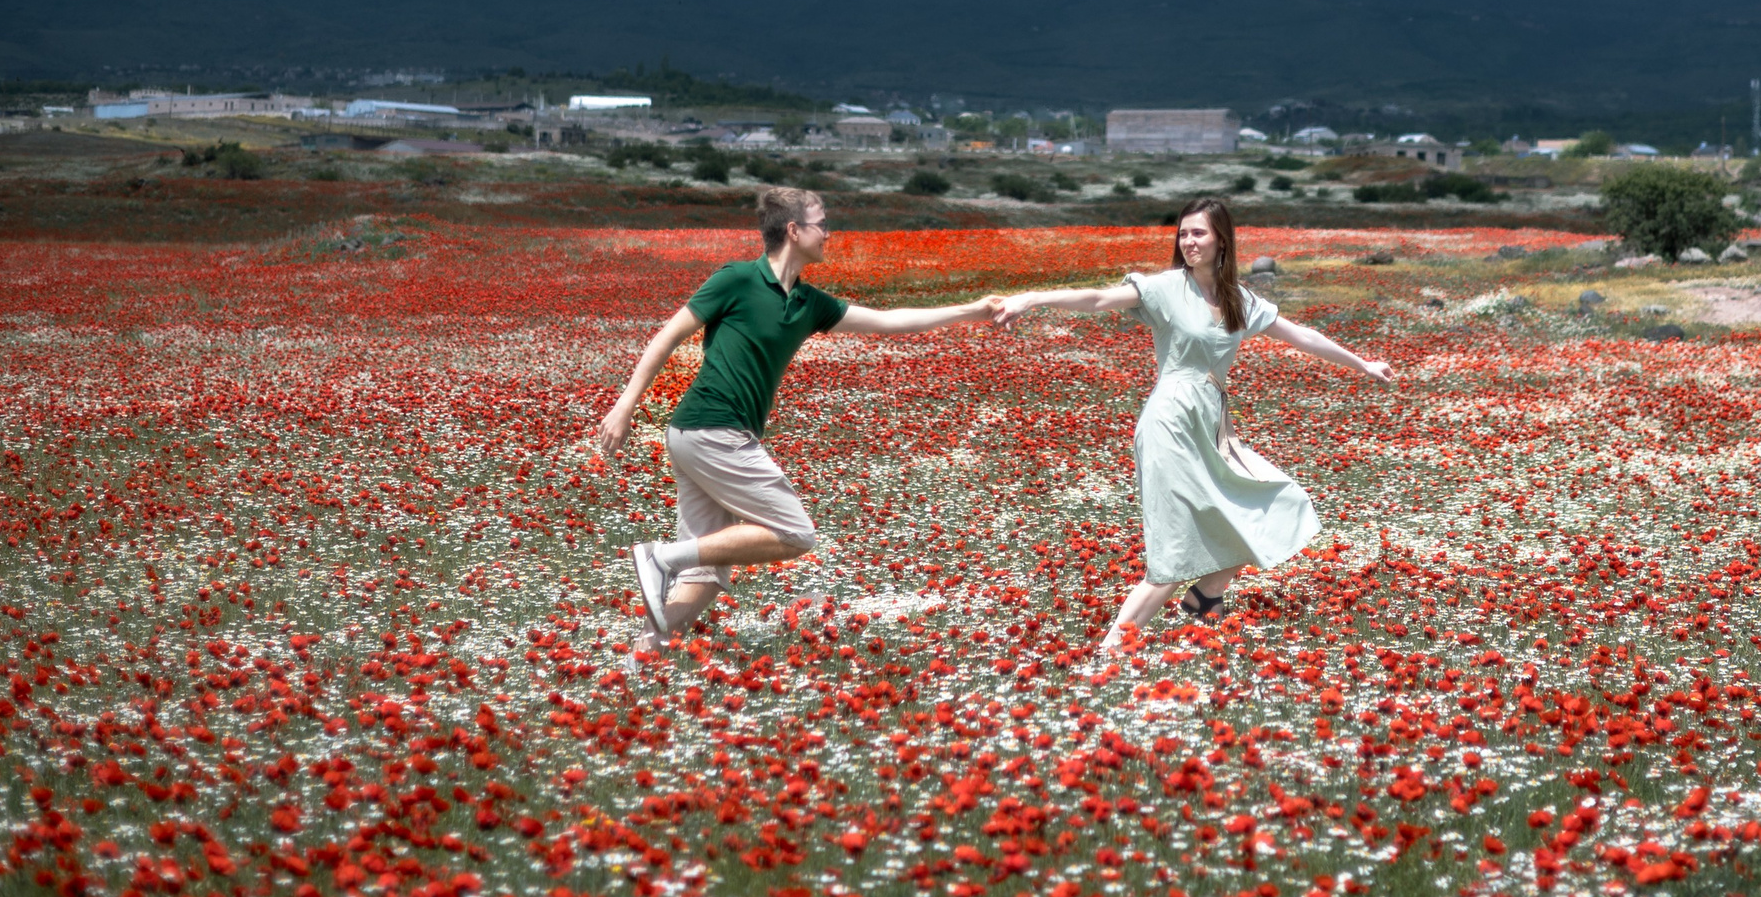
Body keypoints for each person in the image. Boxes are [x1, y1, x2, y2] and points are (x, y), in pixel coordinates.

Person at [596, 185, 992, 653]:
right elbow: (667, 338)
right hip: (711, 429)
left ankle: (642, 659)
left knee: (704, 575)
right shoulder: (736, 280)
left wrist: (974, 310)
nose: (829, 233)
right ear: (793, 230)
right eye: (822, 224)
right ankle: (661, 557)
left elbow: (892, 321)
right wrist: (624, 406)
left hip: (702, 435)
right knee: (795, 532)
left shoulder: (810, 304)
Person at [991, 196, 1391, 651]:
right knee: (1175, 550)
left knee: (1278, 503)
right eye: (1183, 233)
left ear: (1222, 239)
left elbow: (1303, 335)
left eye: (1198, 233)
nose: (1188, 241)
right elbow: (1100, 298)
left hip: (1212, 425)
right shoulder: (1165, 288)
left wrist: (1362, 364)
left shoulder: (1239, 299)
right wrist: (1032, 298)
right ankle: (1112, 651)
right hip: (1170, 422)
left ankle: (1204, 597)